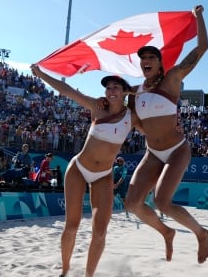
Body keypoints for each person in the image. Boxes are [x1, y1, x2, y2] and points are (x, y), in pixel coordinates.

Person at [123, 4, 208, 264]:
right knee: (132, 204)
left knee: (162, 202)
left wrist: (199, 18)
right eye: (143, 58)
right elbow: (139, 125)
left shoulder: (171, 79)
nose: (146, 61)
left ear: (161, 63)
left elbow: (201, 48)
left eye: (151, 57)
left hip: (176, 150)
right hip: (153, 152)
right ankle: (166, 231)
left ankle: (201, 233)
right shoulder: (136, 93)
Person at [30, 64, 135, 277]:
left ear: (125, 91)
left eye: (116, 87)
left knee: (100, 232)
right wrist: (41, 74)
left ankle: (89, 275)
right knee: (72, 226)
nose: (111, 91)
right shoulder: (97, 107)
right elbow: (67, 91)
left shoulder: (132, 117)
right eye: (109, 88)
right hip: (78, 169)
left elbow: (154, 106)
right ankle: (65, 270)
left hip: (103, 175)